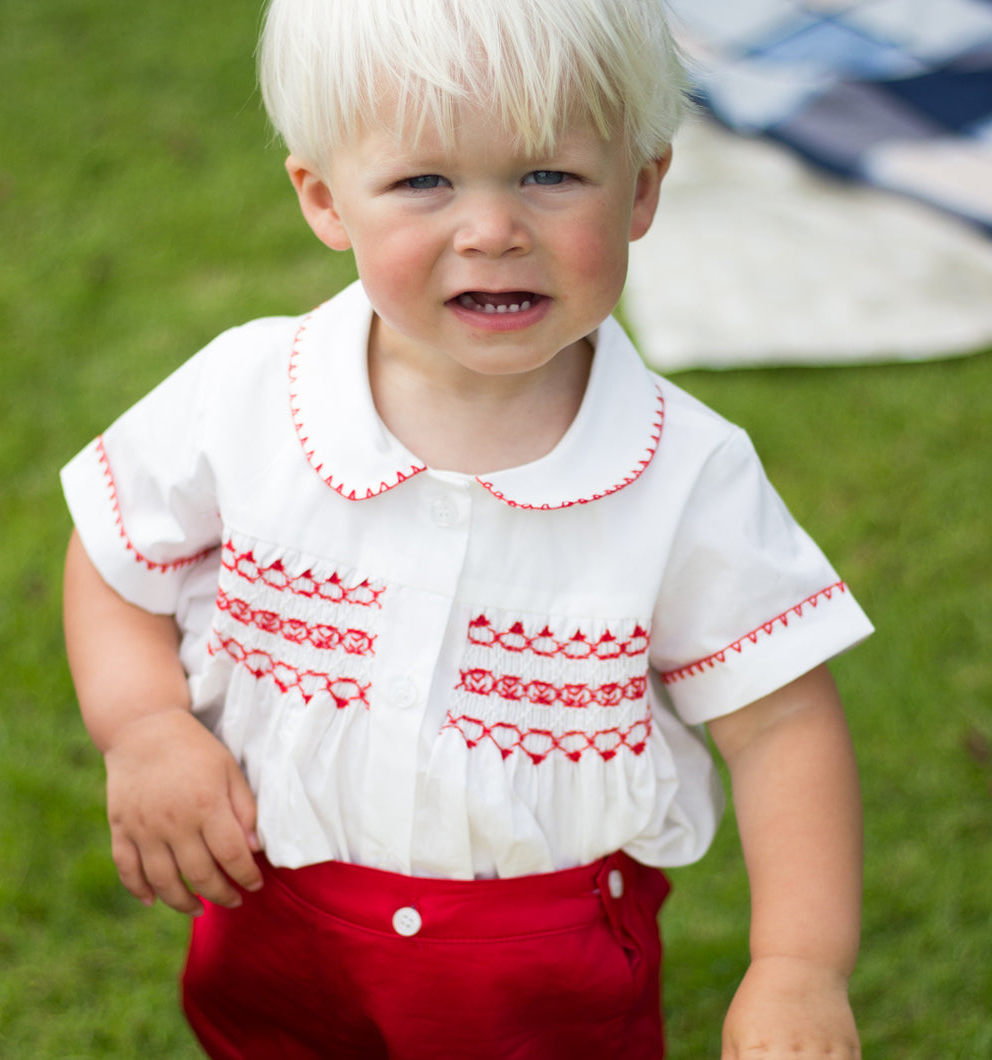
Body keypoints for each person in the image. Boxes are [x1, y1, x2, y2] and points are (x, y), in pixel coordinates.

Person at [61, 0, 873, 1056]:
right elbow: (122, 557)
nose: (491, 229)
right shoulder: (249, 395)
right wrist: (145, 728)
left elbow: (779, 726)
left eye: (548, 175)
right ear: (324, 198)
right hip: (275, 916)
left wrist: (799, 967)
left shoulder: (683, 474)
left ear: (640, 188)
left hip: (544, 970)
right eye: (422, 182)